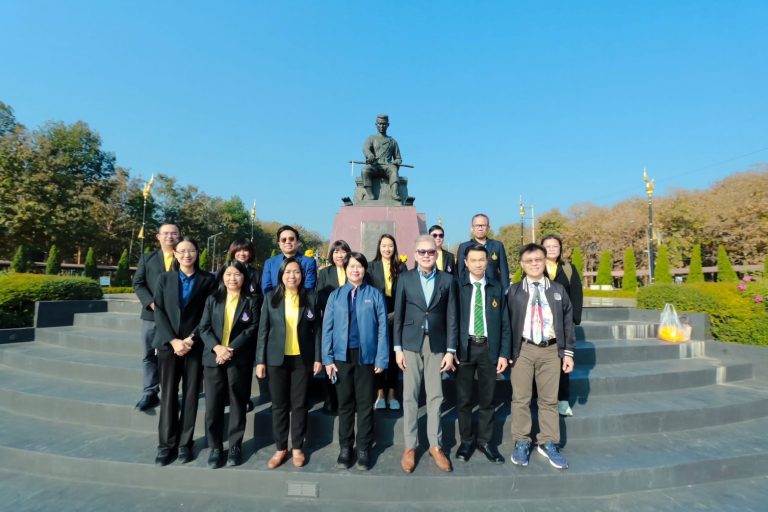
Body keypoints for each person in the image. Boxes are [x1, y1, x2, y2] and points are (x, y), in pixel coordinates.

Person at [393, 235, 459, 473]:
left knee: (435, 396)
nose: (426, 255)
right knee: (410, 397)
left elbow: (452, 316)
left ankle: (435, 445)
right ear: (415, 254)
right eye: (422, 252)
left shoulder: (448, 280)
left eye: (430, 252)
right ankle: (410, 446)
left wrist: (451, 350)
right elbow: (398, 315)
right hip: (411, 343)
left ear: (436, 253)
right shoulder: (405, 279)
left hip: (437, 344)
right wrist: (397, 348)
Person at [506, 243, 575, 470]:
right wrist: (507, 352)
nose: (534, 264)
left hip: (551, 350)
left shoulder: (557, 290)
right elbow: (506, 323)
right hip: (523, 349)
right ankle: (522, 441)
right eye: (529, 261)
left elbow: (567, 322)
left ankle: (548, 442)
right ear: (522, 264)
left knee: (549, 399)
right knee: (521, 398)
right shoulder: (514, 291)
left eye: (538, 260)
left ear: (545, 261)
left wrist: (568, 353)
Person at [151, 237, 216, 466]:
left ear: (197, 253)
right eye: (182, 251)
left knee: (190, 395)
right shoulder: (165, 279)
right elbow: (159, 311)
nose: (187, 255)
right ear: (175, 254)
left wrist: (190, 339)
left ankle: (184, 444)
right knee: (168, 394)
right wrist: (173, 340)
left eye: (191, 250)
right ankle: (166, 445)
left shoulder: (208, 280)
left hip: (194, 346)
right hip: (168, 346)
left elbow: (209, 313)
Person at [321, 252, 389, 470]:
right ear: (345, 268)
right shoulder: (336, 296)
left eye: (359, 266)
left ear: (364, 269)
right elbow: (327, 328)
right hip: (341, 357)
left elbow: (383, 329)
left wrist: (381, 358)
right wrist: (327, 358)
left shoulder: (374, 294)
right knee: (345, 404)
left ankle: (363, 448)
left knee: (365, 404)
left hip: (366, 357)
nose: (355, 270)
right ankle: (345, 448)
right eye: (351, 266)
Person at [255, 257, 322, 469]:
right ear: (281, 275)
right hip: (276, 359)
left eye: (296, 272)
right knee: (279, 405)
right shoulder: (271, 298)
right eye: (288, 272)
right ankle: (281, 447)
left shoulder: (310, 297)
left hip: (302, 359)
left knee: (300, 404)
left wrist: (318, 357)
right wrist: (260, 361)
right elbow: (263, 331)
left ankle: (298, 447)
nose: (292, 276)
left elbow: (317, 331)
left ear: (302, 275)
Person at [199, 260, 260, 468]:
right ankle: (215, 446)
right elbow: (204, 328)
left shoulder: (251, 301)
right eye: (228, 274)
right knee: (213, 405)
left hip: (238, 360)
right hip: (214, 359)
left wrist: (230, 349)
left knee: (238, 403)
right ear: (222, 277)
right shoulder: (212, 299)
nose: (232, 278)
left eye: (237, 274)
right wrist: (218, 348)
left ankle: (235, 446)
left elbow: (253, 328)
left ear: (244, 277)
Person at [455, 244, 510, 464]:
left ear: (487, 262)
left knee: (488, 399)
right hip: (465, 348)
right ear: (465, 263)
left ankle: (485, 442)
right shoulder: (458, 286)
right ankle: (466, 441)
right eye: (473, 260)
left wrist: (504, 353)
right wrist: (451, 349)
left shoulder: (496, 287)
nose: (478, 264)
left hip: (489, 348)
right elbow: (451, 319)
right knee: (464, 399)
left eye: (482, 260)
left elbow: (505, 323)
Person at [132, 222, 179, 411]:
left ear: (179, 236)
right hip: (151, 315)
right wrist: (151, 303)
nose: (170, 236)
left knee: (174, 356)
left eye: (174, 233)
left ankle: (171, 393)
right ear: (158, 237)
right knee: (148, 354)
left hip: (176, 317)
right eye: (165, 233)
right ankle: (150, 392)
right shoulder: (148, 258)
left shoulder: (184, 256)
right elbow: (138, 283)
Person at [541, 234, 583, 417]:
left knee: (562, 361)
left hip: (563, 322)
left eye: (555, 246)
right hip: (540, 322)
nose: (551, 249)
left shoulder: (568, 268)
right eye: (548, 246)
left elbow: (576, 294)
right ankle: (543, 400)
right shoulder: (535, 265)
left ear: (560, 249)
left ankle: (563, 400)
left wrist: (573, 319)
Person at [368, 234, 407, 410]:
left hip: (396, 314)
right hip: (376, 315)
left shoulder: (401, 267)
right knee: (378, 355)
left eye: (390, 245)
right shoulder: (371, 267)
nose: (387, 249)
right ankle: (379, 394)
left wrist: (396, 314)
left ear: (394, 247)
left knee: (393, 355)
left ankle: (392, 393)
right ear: (379, 247)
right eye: (384, 245)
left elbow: (405, 292)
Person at [226, 238, 265, 412]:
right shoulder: (225, 270)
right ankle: (227, 396)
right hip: (228, 323)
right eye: (238, 250)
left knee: (246, 364)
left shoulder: (256, 274)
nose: (242, 253)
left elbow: (261, 297)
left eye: (246, 250)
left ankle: (244, 398)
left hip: (248, 324)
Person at [315, 240, 353, 414]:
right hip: (332, 323)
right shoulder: (325, 273)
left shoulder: (353, 270)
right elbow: (320, 296)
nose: (340, 255)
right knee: (331, 362)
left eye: (343, 251)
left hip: (352, 324)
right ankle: (330, 399)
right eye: (336, 252)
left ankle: (347, 400)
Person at [456, 214, 510, 290]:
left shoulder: (497, 246)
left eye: (483, 225)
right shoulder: (464, 247)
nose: (480, 228)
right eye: (477, 225)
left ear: (488, 228)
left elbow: (504, 271)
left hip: (493, 290)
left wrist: (505, 291)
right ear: (472, 228)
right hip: (471, 289)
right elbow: (460, 272)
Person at [261, 225, 318, 294]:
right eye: (284, 240)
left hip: (301, 300)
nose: (287, 242)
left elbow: (309, 289)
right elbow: (266, 289)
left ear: (298, 242)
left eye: (291, 239)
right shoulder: (270, 263)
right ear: (279, 244)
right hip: (274, 300)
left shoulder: (309, 263)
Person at [361, 114, 402, 201]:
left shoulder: (393, 142)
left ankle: (394, 193)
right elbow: (365, 148)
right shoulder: (371, 138)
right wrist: (369, 155)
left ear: (388, 125)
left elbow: (398, 158)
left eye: (384, 124)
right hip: (375, 166)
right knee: (365, 170)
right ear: (376, 124)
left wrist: (396, 162)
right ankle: (370, 194)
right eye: (379, 124)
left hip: (388, 166)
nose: (382, 126)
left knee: (394, 170)